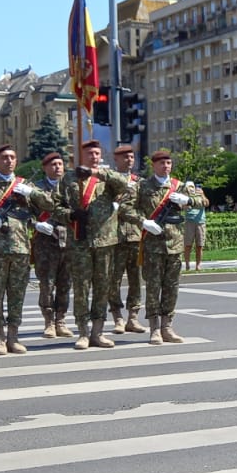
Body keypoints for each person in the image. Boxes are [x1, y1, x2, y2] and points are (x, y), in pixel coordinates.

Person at [0, 144, 58, 356]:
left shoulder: (24, 184)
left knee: (17, 295)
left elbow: (50, 205)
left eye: (12, 157)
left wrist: (32, 192)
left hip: (21, 248)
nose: (9, 161)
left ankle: (13, 337)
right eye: (4, 157)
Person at [57, 139, 136, 350]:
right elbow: (55, 206)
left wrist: (96, 173)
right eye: (89, 154)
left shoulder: (107, 177)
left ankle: (98, 332)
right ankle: (83, 332)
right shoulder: (68, 179)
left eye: (97, 154)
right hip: (79, 241)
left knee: (103, 287)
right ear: (81, 156)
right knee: (81, 288)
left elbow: (124, 185)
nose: (93, 157)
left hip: (105, 240)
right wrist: (70, 215)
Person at [135, 149, 209, 343]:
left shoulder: (180, 186)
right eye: (162, 163)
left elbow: (202, 201)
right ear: (154, 165)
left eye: (168, 163)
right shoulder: (143, 186)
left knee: (172, 287)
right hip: (153, 245)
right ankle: (154, 329)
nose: (166, 166)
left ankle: (167, 326)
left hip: (174, 244)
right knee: (153, 287)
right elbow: (127, 209)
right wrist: (143, 222)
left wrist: (188, 200)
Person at [30, 151, 73, 338]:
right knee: (47, 284)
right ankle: (49, 322)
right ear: (45, 168)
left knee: (65, 283)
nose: (57, 168)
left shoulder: (71, 187)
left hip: (69, 241)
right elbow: (25, 214)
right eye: (53, 164)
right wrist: (36, 224)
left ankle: (61, 320)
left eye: (60, 164)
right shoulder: (35, 188)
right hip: (45, 242)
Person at [107, 143, 147, 335]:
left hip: (135, 236)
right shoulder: (108, 182)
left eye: (131, 157)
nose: (129, 160)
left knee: (135, 280)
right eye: (124, 157)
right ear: (116, 160)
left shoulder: (139, 182)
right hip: (114, 237)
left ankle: (133, 317)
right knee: (113, 280)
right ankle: (117, 317)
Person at [183, 198, 207, 271]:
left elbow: (206, 203)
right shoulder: (187, 196)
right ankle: (187, 265)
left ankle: (198, 265)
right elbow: (183, 206)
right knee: (188, 245)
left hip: (200, 222)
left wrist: (202, 195)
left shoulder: (201, 195)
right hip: (189, 221)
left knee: (199, 245)